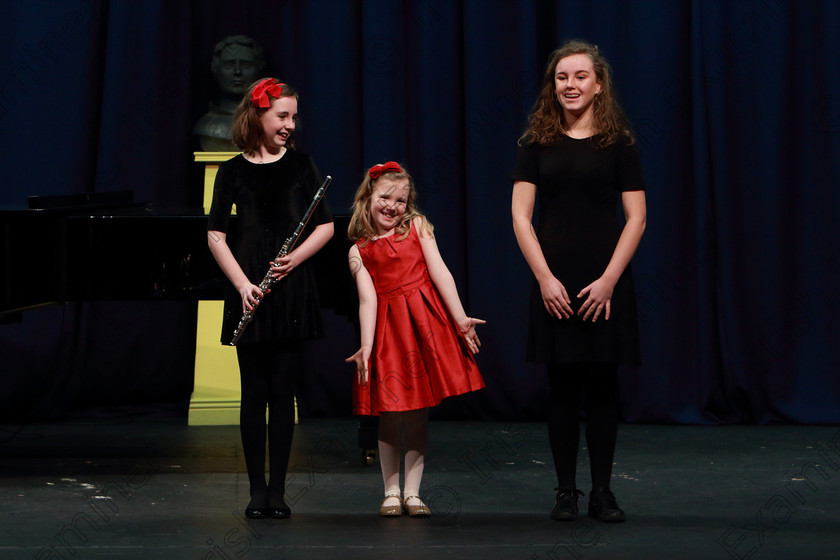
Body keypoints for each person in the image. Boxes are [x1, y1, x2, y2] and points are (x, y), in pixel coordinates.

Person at [511, 40, 646, 523]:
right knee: (563, 388)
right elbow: (522, 218)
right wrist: (545, 278)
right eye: (562, 77)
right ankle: (566, 491)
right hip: (556, 283)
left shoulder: (619, 144)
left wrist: (610, 279)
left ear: (598, 84)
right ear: (553, 85)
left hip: (604, 282)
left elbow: (636, 219)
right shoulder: (536, 144)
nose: (570, 84)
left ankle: (602, 492)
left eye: (580, 76)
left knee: (603, 387)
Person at [207, 77, 334, 519]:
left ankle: (277, 491)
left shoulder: (302, 166)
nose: (289, 124)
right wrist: (242, 284)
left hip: (289, 286)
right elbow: (216, 235)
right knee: (252, 392)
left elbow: (325, 226)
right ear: (257, 115)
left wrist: (294, 259)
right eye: (282, 115)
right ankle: (255, 491)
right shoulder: (232, 171)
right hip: (250, 288)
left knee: (283, 392)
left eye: (293, 117)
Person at [345, 162, 486, 517]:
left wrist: (460, 319)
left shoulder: (418, 228)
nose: (392, 206)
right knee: (391, 414)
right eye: (385, 198)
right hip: (391, 334)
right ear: (368, 197)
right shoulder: (359, 250)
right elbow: (368, 300)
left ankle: (413, 492)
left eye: (401, 200)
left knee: (419, 414)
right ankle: (390, 491)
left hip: (424, 325)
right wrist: (366, 345)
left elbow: (440, 272)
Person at [193, 35, 265, 151]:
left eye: (246, 65)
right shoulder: (206, 126)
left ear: (258, 70)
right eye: (229, 65)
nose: (237, 72)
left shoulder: (269, 125)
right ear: (216, 69)